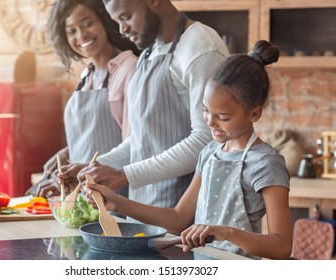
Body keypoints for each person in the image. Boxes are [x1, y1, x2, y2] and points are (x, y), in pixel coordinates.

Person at [84, 40, 293, 260]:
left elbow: (281, 246)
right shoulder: (210, 153)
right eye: (206, 111)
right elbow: (178, 218)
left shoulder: (266, 163)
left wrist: (225, 232)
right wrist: (117, 203)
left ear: (254, 114)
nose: (210, 123)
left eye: (223, 117)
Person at [69, 0, 230, 210]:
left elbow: (207, 140)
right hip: (146, 210)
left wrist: (125, 175)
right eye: (117, 21)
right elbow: (142, 141)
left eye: (125, 17)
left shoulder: (200, 47)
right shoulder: (149, 52)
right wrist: (94, 167)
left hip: (188, 219)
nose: (122, 29)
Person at [35, 0, 139, 197]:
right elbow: (94, 133)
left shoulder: (129, 69)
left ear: (105, 20)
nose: (81, 35)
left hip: (115, 196)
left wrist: (85, 169)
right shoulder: (86, 76)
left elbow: (134, 143)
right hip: (84, 193)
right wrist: (68, 153)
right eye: (71, 31)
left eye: (87, 23)